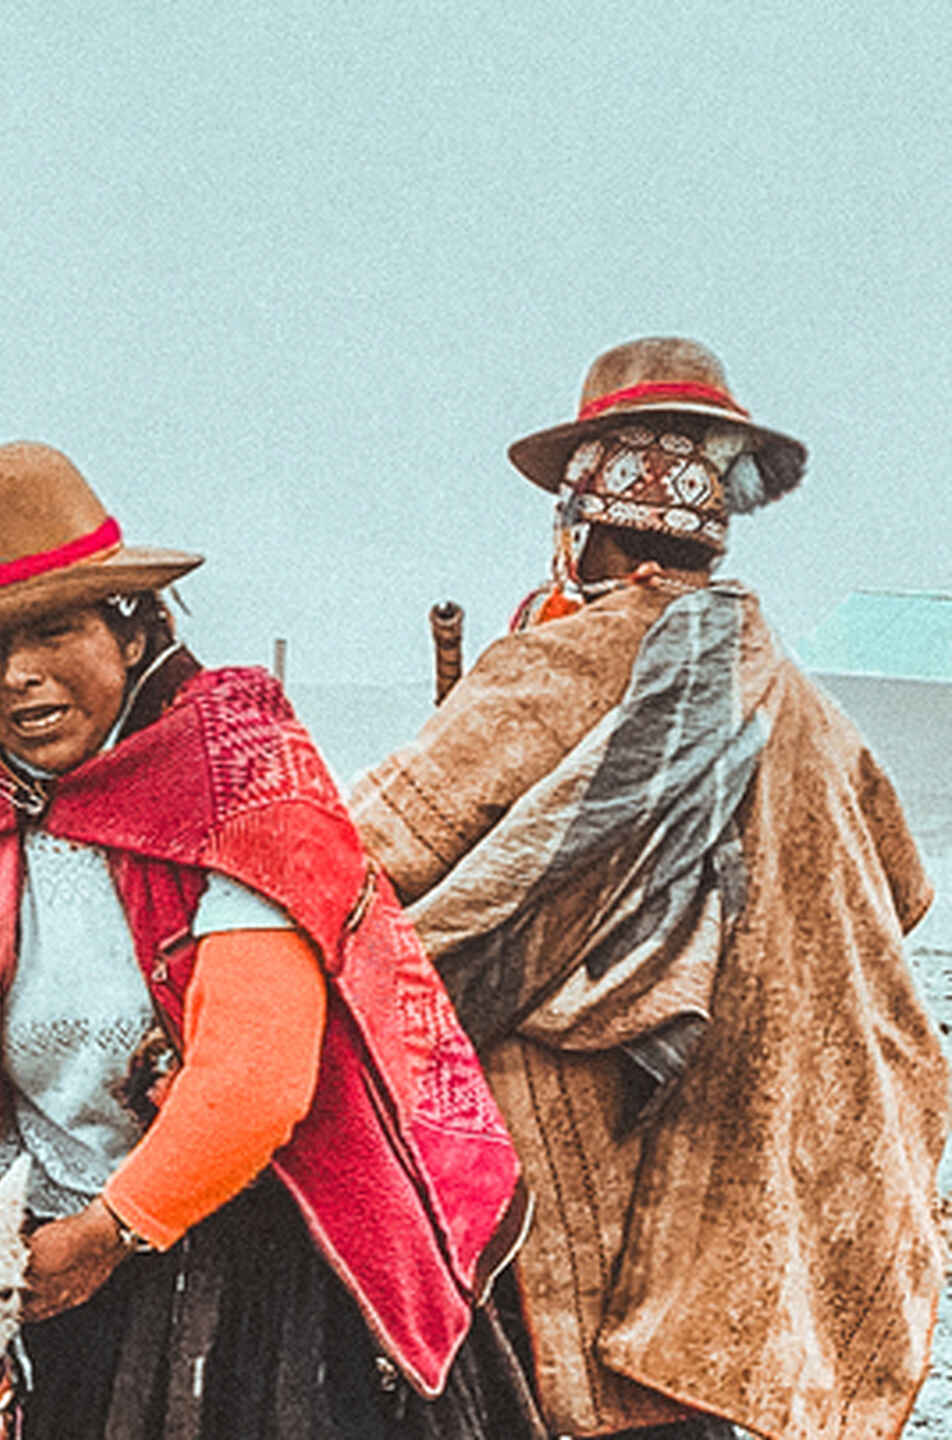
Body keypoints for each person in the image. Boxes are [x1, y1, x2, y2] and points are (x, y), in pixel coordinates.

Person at [0, 441, 534, 1439]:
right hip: (40, 1267)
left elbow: (252, 1078)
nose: (22, 677)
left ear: (131, 633)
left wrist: (109, 1234)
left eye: (53, 631)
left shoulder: (244, 784)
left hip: (257, 1266)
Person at [351, 337, 949, 1439]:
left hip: (560, 1159)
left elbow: (360, 853)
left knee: (561, 1395)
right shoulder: (814, 718)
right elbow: (898, 894)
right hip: (728, 1166)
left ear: (581, 525)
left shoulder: (548, 670)